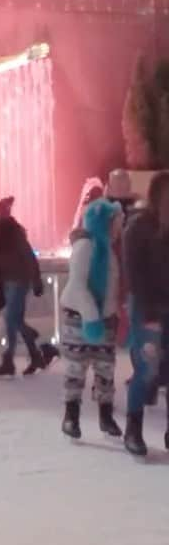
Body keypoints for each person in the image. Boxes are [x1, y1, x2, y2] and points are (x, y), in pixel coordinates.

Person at [60, 199, 124, 441]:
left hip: (104, 317)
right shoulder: (86, 246)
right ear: (105, 222)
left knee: (105, 368)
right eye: (117, 221)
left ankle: (106, 415)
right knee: (77, 366)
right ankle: (71, 416)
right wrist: (92, 318)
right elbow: (77, 286)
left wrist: (112, 312)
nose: (120, 225)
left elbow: (112, 284)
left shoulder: (107, 248)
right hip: (79, 316)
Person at [123, 171, 169, 456]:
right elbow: (134, 273)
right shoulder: (139, 227)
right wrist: (148, 308)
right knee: (147, 369)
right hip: (148, 308)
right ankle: (133, 428)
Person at [0, 197, 45, 377]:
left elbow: (28, 255)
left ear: (0, 215)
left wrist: (36, 280)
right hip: (9, 281)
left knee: (11, 320)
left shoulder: (11, 232)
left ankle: (9, 360)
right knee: (13, 320)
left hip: (17, 280)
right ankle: (35, 355)